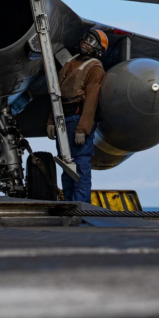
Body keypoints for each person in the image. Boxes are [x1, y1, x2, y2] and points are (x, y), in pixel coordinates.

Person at [47, 28, 108, 203]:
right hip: (62, 119)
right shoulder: (71, 62)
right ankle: (68, 206)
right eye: (86, 38)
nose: (85, 41)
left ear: (98, 49)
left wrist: (83, 128)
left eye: (91, 40)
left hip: (77, 118)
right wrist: (52, 120)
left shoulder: (95, 69)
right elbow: (56, 93)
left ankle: (81, 208)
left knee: (80, 165)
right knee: (66, 166)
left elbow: (91, 101)